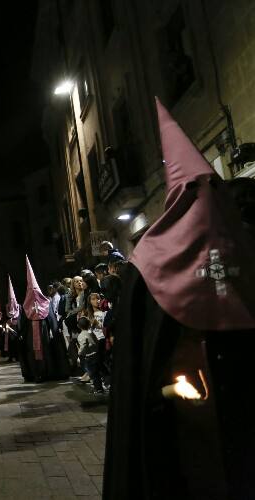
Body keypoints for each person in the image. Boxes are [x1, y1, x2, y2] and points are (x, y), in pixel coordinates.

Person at [104, 99, 255, 500]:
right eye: (195, 192)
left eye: (213, 190)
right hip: (181, 425)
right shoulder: (148, 265)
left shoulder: (246, 251)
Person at [18, 256, 69, 383]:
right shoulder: (25, 306)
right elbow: (23, 323)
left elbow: (52, 320)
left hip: (44, 332)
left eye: (35, 290)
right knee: (33, 352)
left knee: (46, 351)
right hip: (31, 334)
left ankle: (47, 372)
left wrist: (55, 332)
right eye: (31, 291)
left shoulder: (46, 303)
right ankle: (36, 373)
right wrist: (21, 334)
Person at [76, 316, 104, 395]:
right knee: (96, 373)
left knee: (93, 374)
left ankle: (98, 389)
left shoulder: (81, 336)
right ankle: (99, 388)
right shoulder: (91, 333)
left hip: (89, 357)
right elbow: (97, 341)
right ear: (88, 324)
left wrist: (79, 353)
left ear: (78, 326)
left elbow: (83, 346)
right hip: (96, 355)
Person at [0, 276, 21, 362]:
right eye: (10, 299)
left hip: (16, 327)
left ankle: (17, 356)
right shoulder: (6, 307)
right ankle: (11, 356)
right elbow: (4, 317)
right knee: (9, 343)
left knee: (16, 342)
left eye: (13, 299)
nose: (12, 300)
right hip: (9, 328)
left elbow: (20, 317)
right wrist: (6, 324)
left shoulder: (19, 306)